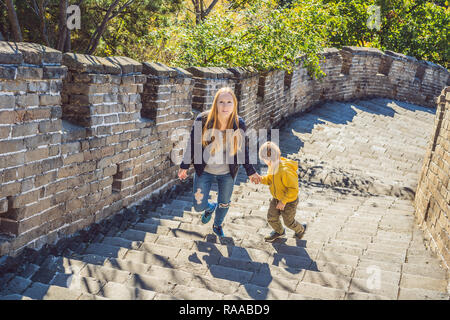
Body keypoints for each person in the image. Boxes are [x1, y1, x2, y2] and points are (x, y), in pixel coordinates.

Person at [178, 87, 261, 237]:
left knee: (224, 202)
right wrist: (184, 166)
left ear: (234, 104)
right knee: (198, 206)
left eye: (229, 102)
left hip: (227, 173)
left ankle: (217, 225)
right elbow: (192, 144)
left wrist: (251, 171)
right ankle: (210, 207)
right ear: (215, 103)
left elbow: (242, 150)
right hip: (204, 171)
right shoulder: (202, 120)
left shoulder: (238, 123)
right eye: (221, 102)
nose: (225, 106)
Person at [257, 141, 306, 242]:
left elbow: (293, 189)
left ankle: (301, 229)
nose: (265, 162)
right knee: (271, 217)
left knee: (289, 222)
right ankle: (279, 231)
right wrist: (261, 179)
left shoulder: (285, 171)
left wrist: (283, 201)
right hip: (276, 198)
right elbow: (270, 179)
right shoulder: (272, 167)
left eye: (265, 160)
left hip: (289, 201)